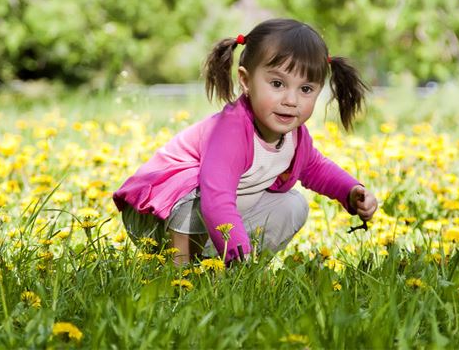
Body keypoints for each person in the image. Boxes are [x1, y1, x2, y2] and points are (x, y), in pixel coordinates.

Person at [113, 18, 378, 265]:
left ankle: (226, 268)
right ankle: (180, 271)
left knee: (293, 205)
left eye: (306, 89)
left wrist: (351, 191)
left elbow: (316, 168)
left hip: (208, 219)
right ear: (245, 81)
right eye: (277, 83)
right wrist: (237, 256)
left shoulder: (295, 136)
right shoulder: (231, 131)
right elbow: (216, 199)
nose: (291, 100)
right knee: (195, 193)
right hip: (153, 217)